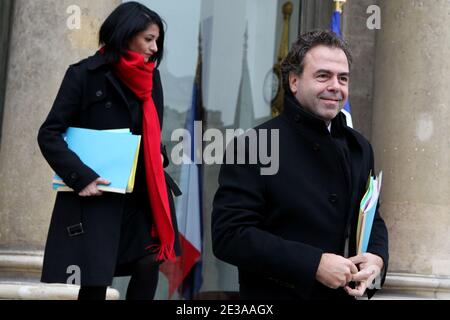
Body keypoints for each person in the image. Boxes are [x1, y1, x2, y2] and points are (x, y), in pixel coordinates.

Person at [211, 30, 388, 300]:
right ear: (294, 82)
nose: (335, 86)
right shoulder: (254, 145)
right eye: (323, 76)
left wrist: (376, 259)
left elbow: (371, 216)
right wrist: (313, 264)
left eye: (343, 78)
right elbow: (230, 236)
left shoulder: (359, 148)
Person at [38, 2, 181, 300]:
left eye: (157, 41)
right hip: (101, 194)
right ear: (125, 34)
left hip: (143, 194)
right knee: (95, 281)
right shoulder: (83, 75)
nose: (155, 48)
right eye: (148, 39)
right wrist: (82, 178)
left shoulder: (150, 78)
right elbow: (49, 134)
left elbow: (150, 133)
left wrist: (158, 155)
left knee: (148, 262)